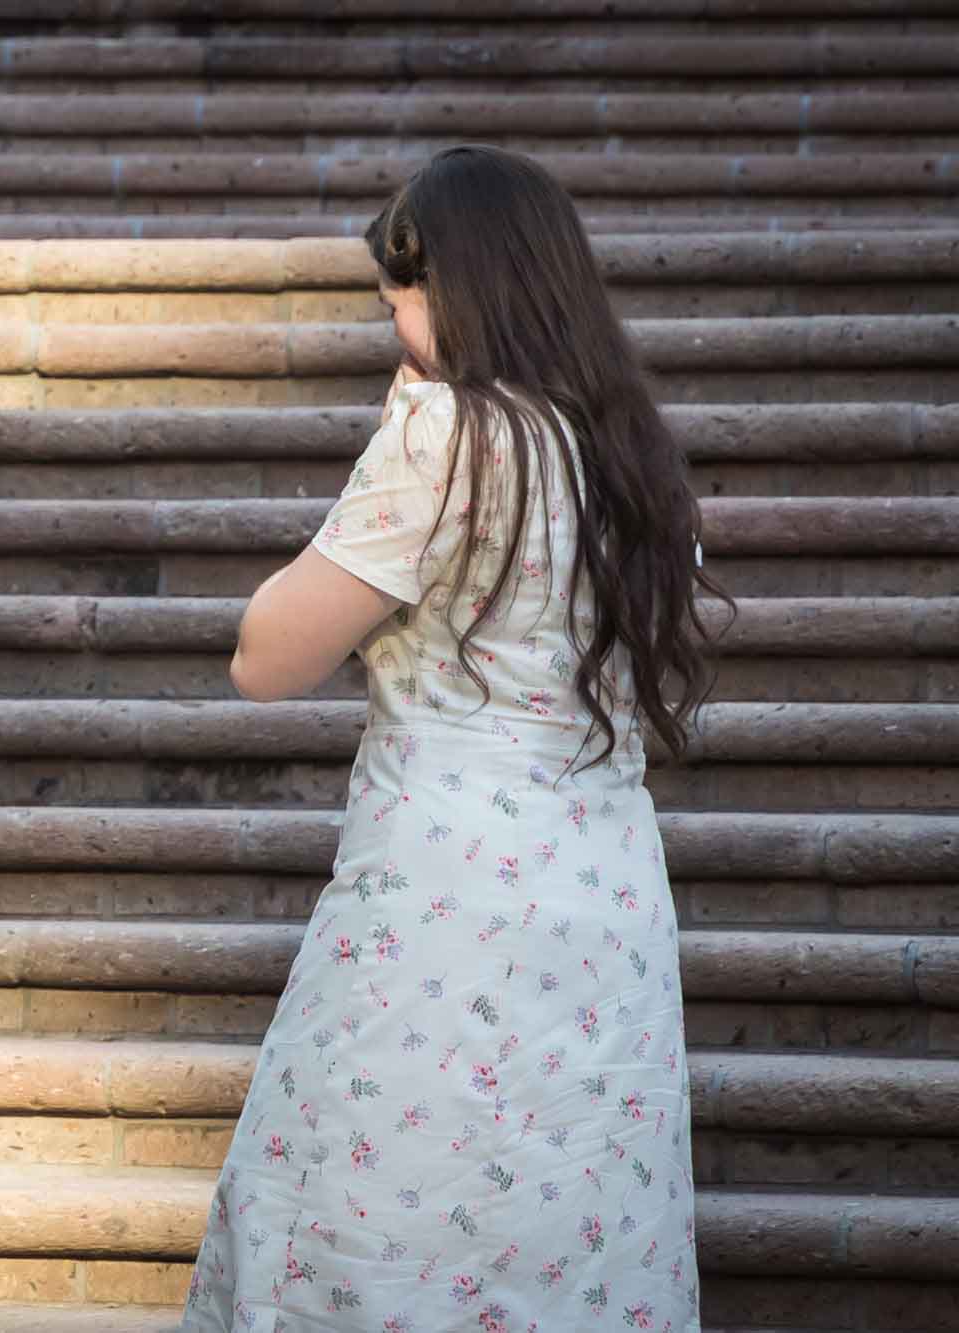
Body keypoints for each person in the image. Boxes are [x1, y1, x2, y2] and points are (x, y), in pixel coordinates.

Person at [181, 146, 725, 1330]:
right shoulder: (634, 457)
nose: (393, 325)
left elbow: (265, 655)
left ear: (457, 289)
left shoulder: (446, 432)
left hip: (444, 899)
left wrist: (389, 443)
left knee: (384, 1210)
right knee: (571, 1222)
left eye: (400, 299)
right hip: (604, 900)